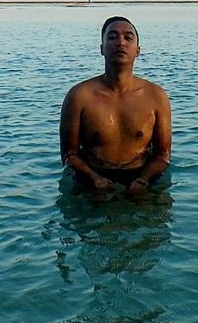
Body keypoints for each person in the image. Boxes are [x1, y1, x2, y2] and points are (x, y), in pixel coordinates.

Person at [60, 16, 172, 193]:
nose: (120, 42)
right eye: (112, 37)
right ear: (102, 49)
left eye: (128, 37)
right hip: (91, 179)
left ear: (137, 50)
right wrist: (94, 178)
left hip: (142, 176)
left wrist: (143, 181)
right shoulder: (79, 96)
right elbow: (69, 155)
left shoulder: (156, 96)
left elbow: (163, 155)